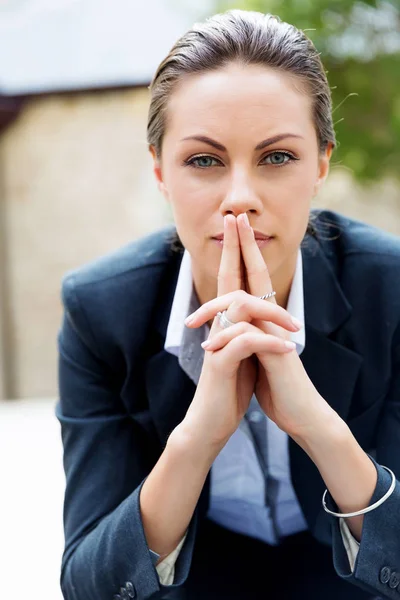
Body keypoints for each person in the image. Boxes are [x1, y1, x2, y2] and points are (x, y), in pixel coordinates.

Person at [56, 9, 400, 600]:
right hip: (191, 569)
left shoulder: (389, 288)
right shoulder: (100, 309)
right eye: (204, 161)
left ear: (320, 162)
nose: (240, 198)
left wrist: (317, 425)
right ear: (161, 171)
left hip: (345, 562)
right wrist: (197, 436)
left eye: (277, 157)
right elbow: (91, 584)